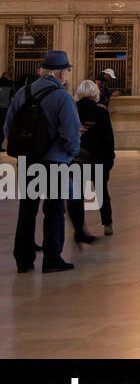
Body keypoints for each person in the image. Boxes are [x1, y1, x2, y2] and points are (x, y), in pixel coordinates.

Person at [3, 50, 82, 273]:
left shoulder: (22, 93)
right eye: (66, 70)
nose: (67, 74)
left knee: (27, 209)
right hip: (54, 161)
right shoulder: (63, 97)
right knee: (54, 209)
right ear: (59, 74)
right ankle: (52, 258)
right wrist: (69, 155)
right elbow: (71, 133)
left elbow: (9, 127)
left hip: (28, 161)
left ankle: (23, 260)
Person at [68, 80, 115, 241]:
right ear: (96, 94)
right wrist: (110, 160)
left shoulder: (72, 110)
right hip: (98, 160)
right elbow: (109, 139)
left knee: (77, 195)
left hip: (77, 160)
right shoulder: (101, 112)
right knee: (101, 191)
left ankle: (79, 227)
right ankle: (107, 223)